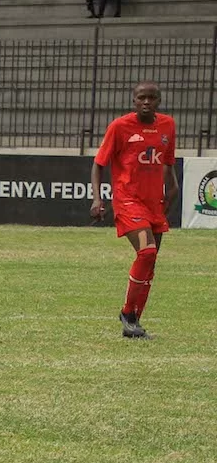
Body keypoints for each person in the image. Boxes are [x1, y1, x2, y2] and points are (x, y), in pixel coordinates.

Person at [89, 82, 178, 340]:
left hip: (154, 205)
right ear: (134, 101)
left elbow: (167, 163)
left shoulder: (167, 126)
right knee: (147, 251)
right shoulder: (120, 127)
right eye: (142, 98)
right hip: (129, 202)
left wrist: (173, 188)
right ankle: (127, 314)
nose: (146, 102)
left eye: (151, 97)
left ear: (159, 101)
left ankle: (134, 323)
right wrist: (97, 199)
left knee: (150, 263)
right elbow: (98, 165)